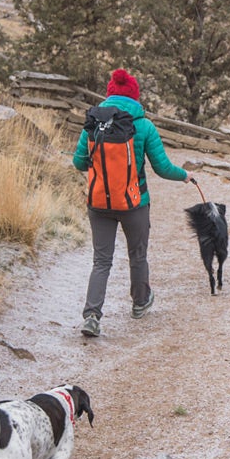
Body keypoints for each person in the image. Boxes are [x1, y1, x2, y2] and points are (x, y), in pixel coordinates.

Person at [73, 68, 190, 337]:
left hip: (99, 202)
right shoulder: (144, 126)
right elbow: (162, 168)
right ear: (135, 97)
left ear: (109, 95)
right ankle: (139, 303)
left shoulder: (93, 123)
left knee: (101, 261)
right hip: (134, 203)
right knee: (137, 255)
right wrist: (185, 175)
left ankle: (92, 315)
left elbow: (78, 161)